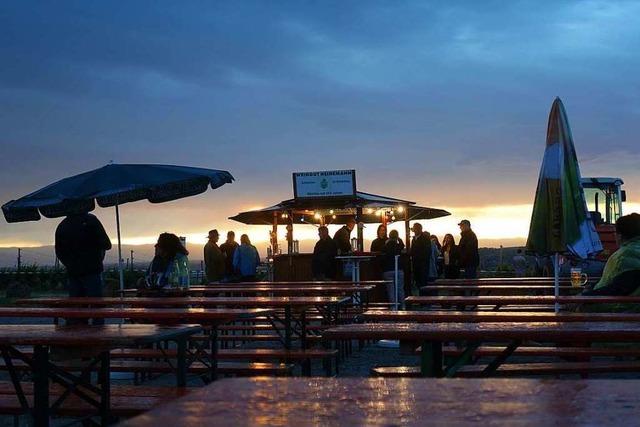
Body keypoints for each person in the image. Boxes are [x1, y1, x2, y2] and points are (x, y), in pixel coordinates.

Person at [55, 212, 112, 325]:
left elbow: (59, 252)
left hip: (73, 273)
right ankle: (98, 337)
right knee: (97, 310)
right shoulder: (92, 220)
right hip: (93, 271)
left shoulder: (62, 225)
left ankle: (79, 337)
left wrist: (69, 264)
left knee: (77, 310)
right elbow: (107, 244)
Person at [579, 213, 640, 312]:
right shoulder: (630, 253)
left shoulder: (624, 256)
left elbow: (618, 288)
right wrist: (592, 287)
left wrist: (585, 297)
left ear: (619, 236)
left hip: (619, 313)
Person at [382, 230, 405, 308]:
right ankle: (403, 306)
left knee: (391, 291)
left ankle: (393, 308)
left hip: (387, 270)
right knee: (400, 289)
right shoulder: (398, 246)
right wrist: (399, 239)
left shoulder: (385, 246)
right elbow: (402, 245)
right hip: (398, 269)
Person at [410, 223, 431, 293]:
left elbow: (427, 252)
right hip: (416, 264)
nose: (414, 230)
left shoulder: (425, 238)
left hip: (422, 265)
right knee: (418, 282)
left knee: (423, 283)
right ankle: (422, 299)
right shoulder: (414, 239)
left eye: (415, 228)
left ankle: (424, 300)